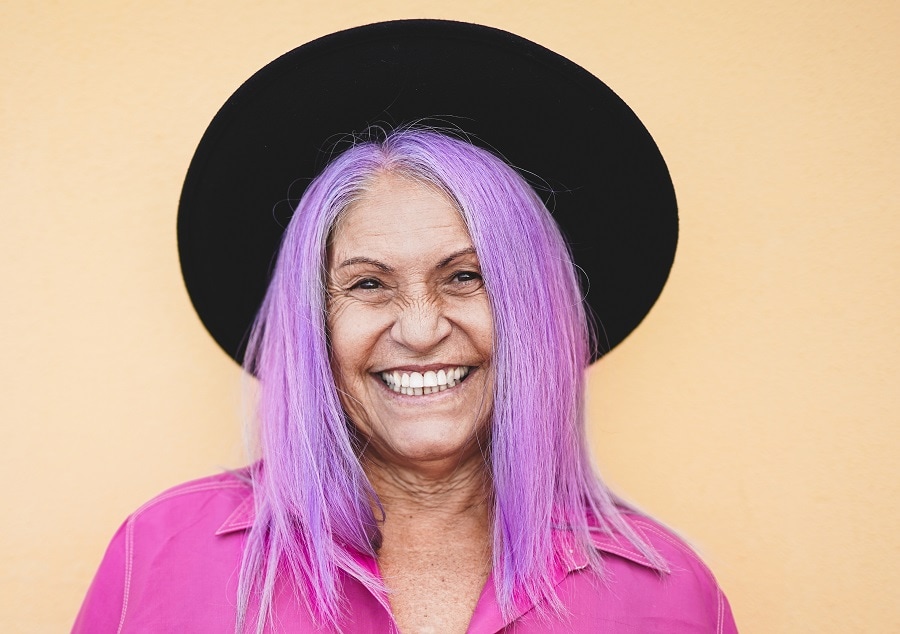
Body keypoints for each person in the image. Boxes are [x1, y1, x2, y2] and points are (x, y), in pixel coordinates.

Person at [74, 21, 738, 634]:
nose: (420, 331)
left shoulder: (667, 592)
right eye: (368, 284)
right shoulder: (160, 553)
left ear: (536, 310)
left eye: (466, 277)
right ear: (316, 324)